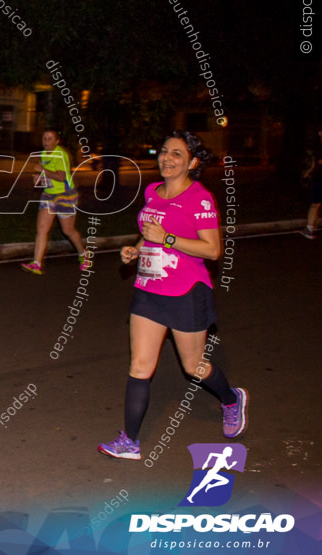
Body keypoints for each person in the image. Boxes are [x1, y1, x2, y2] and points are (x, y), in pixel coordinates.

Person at [98, 131, 248, 460]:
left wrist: (167, 239)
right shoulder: (153, 191)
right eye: (164, 151)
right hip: (149, 291)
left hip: (186, 292)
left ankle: (231, 399)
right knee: (139, 366)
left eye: (177, 154)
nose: (167, 158)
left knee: (194, 366)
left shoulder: (200, 198)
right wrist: (136, 250)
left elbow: (212, 250)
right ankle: (130, 442)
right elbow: (148, 232)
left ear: (192, 163)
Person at [20, 130, 91, 275]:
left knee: (68, 231)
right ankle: (37, 263)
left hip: (65, 195)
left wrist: (43, 170)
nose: (46, 141)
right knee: (41, 228)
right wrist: (38, 178)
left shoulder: (61, 155)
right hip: (49, 195)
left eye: (50, 138)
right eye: (44, 138)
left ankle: (84, 255)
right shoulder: (43, 154)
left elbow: (60, 177)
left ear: (57, 141)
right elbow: (45, 174)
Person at [300, 128, 322, 239]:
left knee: (318, 205)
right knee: (316, 204)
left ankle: (311, 227)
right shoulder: (317, 148)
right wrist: (307, 174)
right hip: (318, 178)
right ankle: (309, 228)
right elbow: (316, 164)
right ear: (319, 133)